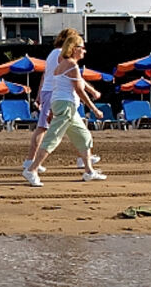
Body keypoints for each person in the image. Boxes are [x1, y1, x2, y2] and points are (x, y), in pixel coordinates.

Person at [22, 32, 105, 186]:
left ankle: (89, 171)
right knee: (53, 138)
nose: (84, 51)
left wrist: (52, 110)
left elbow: (55, 86)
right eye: (82, 47)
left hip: (65, 105)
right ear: (74, 48)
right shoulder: (71, 65)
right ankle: (31, 169)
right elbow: (79, 90)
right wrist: (94, 109)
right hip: (66, 106)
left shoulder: (61, 64)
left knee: (83, 136)